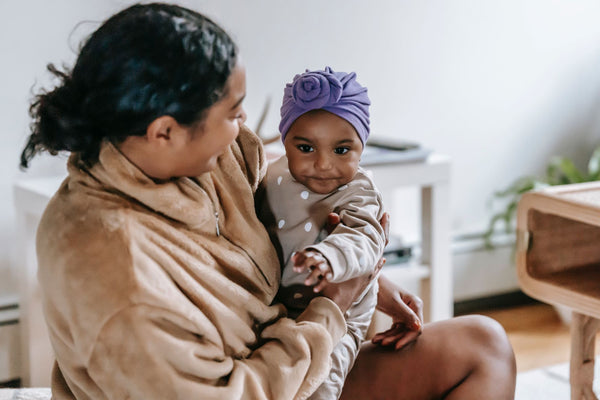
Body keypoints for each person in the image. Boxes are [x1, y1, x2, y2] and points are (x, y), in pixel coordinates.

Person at [20, 3, 516, 399]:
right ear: (164, 131)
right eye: (232, 113)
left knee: (485, 345)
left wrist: (355, 275)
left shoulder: (208, 159)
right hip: (272, 379)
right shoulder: (117, 276)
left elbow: (280, 218)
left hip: (295, 354)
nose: (244, 129)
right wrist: (331, 310)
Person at [260, 67, 386, 400]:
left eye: (342, 150)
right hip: (282, 310)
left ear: (362, 147)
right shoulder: (270, 178)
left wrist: (329, 257)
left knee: (320, 386)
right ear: (284, 140)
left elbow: (364, 238)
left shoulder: (359, 190)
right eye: (306, 148)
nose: (324, 164)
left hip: (343, 315)